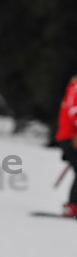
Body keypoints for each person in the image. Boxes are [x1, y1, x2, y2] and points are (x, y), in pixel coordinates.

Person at [55, 74, 77, 217]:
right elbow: (74, 112)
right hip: (71, 138)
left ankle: (73, 204)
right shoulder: (76, 90)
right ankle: (73, 205)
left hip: (68, 137)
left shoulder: (72, 90)